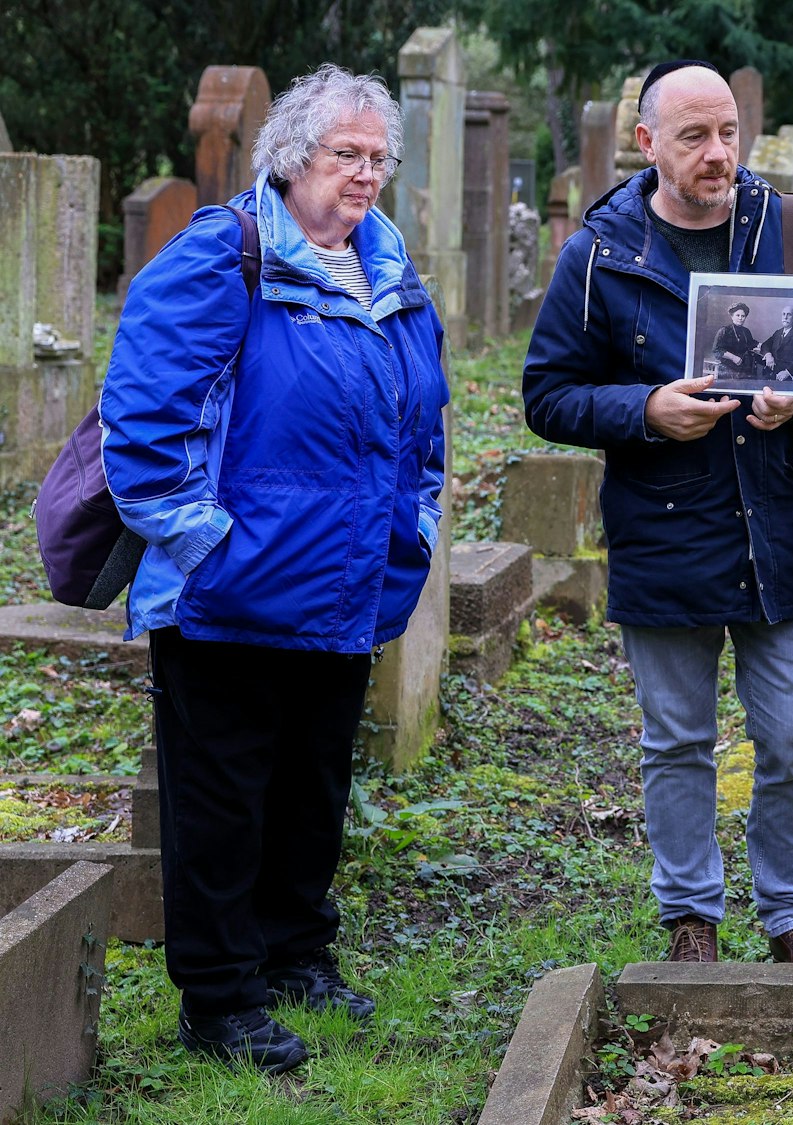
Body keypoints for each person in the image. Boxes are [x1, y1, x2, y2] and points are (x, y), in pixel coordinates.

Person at [100, 65, 448, 1073]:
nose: (366, 173)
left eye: (378, 157)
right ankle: (219, 1000)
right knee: (221, 801)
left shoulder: (390, 270)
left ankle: (296, 956)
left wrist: (417, 521)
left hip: (348, 585)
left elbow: (421, 426)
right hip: (230, 593)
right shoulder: (225, 254)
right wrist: (206, 545)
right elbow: (144, 422)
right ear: (294, 157)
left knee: (312, 786)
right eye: (346, 153)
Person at [522, 60, 793, 965]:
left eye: (727, 133)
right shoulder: (600, 255)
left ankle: (791, 915)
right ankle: (690, 918)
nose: (718, 154)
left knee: (791, 738)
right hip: (664, 529)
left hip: (781, 528)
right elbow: (547, 394)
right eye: (694, 136)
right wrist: (645, 409)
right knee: (678, 739)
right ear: (647, 143)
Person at [758, 305, 793, 382]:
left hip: (789, 376)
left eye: (789, 314)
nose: (785, 317)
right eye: (783, 314)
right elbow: (765, 345)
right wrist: (768, 355)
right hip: (772, 373)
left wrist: (788, 372)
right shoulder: (778, 332)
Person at [711, 302, 759, 377]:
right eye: (737, 315)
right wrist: (733, 357)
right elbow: (716, 350)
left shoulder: (746, 331)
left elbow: (751, 343)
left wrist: (761, 345)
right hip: (727, 369)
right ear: (732, 316)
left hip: (743, 369)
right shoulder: (724, 331)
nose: (740, 318)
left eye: (743, 316)